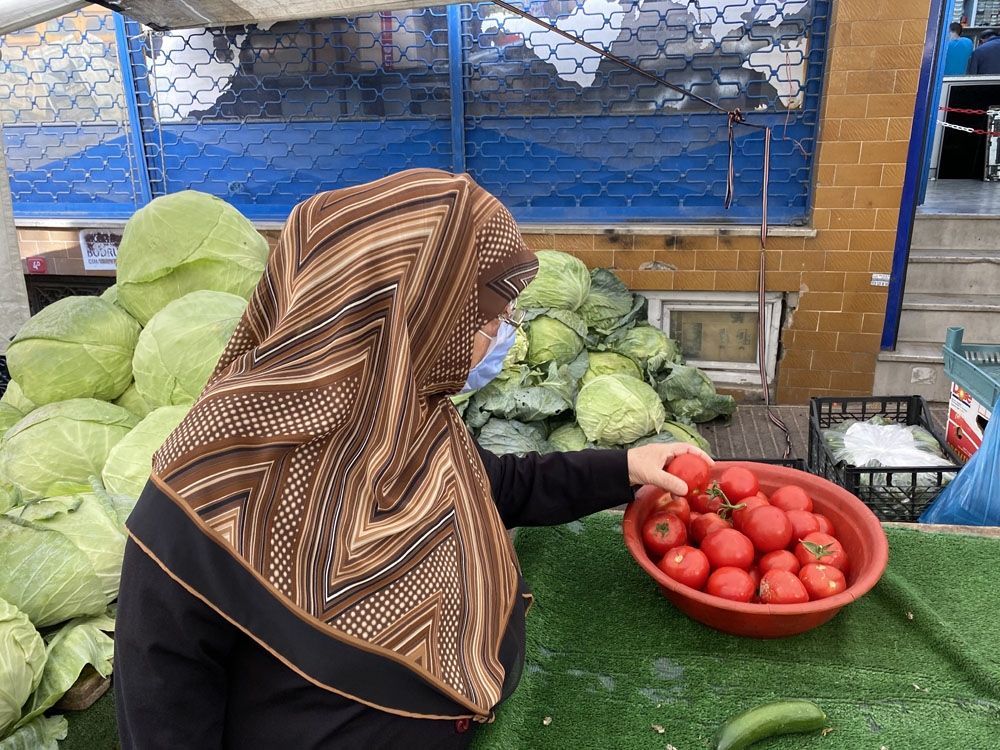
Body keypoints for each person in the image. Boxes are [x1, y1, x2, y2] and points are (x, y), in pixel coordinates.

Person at [113, 168, 714, 749]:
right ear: (403, 314)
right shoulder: (208, 486)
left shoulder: (400, 411)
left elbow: (487, 483)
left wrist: (622, 469)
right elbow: (161, 698)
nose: (502, 331)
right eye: (483, 316)